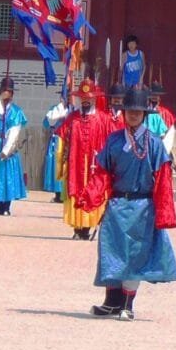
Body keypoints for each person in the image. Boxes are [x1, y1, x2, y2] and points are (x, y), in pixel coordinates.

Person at [78, 85, 176, 321]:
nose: (133, 115)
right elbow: (102, 173)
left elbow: (163, 180)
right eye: (129, 111)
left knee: (135, 255)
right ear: (123, 113)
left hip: (142, 208)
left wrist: (164, 213)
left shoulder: (154, 144)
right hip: (116, 206)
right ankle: (111, 302)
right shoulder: (114, 140)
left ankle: (127, 303)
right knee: (111, 251)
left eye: (138, 111)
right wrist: (90, 196)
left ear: (145, 114)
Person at [57, 79, 114, 240]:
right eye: (83, 99)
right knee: (76, 191)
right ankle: (77, 228)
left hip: (95, 166)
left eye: (88, 99)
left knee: (93, 192)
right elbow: (62, 139)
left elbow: (113, 142)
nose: (85, 102)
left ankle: (88, 226)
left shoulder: (103, 119)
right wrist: (61, 163)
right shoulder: (72, 119)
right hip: (75, 165)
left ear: (94, 99)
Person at [0, 77, 27, 216]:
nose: (6, 95)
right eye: (3, 91)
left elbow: (15, 131)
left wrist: (7, 150)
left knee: (8, 175)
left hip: (9, 145)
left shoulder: (16, 112)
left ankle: (7, 205)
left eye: (8, 92)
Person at [42, 94, 69, 203]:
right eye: (62, 97)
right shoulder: (55, 109)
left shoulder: (72, 110)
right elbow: (47, 122)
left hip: (67, 141)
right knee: (56, 167)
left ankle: (65, 193)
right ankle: (57, 193)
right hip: (57, 139)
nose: (63, 99)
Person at [147, 82, 176, 173]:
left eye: (156, 95)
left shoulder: (166, 113)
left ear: (159, 97)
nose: (154, 97)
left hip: (161, 150)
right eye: (153, 95)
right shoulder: (143, 111)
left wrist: (163, 149)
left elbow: (170, 134)